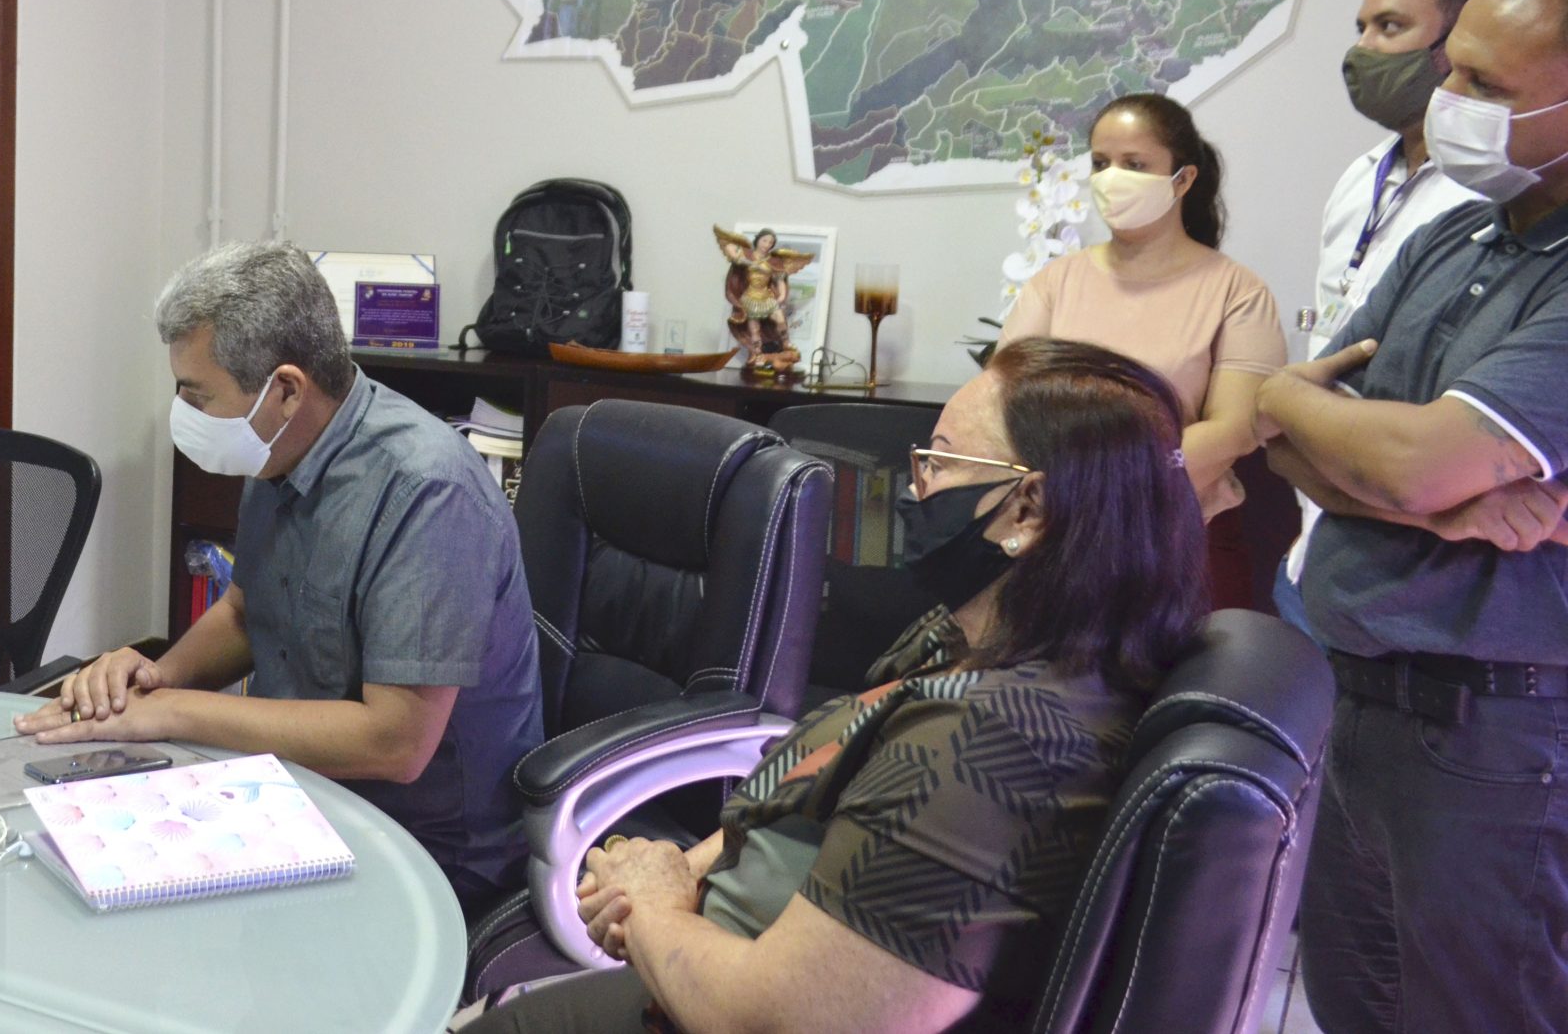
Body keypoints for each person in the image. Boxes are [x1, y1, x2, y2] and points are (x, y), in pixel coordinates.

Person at [460, 338, 1205, 1034]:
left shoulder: (984, 749)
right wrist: (669, 872)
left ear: (1028, 509)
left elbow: (775, 1020)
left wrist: (654, 905)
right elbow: (812, 790)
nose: (916, 488)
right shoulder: (980, 650)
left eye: (940, 462)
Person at [12, 242, 543, 917]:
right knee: (71, 877)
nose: (183, 412)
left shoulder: (428, 489)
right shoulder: (279, 449)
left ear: (286, 389)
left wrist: (174, 712)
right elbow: (244, 610)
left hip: (426, 850)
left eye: (196, 393)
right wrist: (153, 679)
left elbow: (397, 741)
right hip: (289, 798)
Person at [1261, 0, 1568, 1034]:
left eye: (1485, 87)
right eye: (1454, 73)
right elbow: (1280, 434)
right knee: (1360, 1000)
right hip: (1360, 697)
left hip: (1500, 731)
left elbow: (1404, 456)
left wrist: (1337, 429)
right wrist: (1429, 498)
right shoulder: (1456, 232)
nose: (1449, 103)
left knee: (1477, 1012)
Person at [997, 92, 1286, 607]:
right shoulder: (1055, 282)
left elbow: (1235, 428)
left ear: (1183, 179)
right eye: (1101, 163)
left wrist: (1117, 484)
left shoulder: (1236, 290)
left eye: (1135, 164)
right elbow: (999, 401)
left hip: (1181, 543)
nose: (1112, 178)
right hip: (1057, 542)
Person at [1272, 0, 1488, 633]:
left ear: (1457, 46)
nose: (1362, 49)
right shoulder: (1360, 176)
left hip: (1424, 577)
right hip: (1316, 550)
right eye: (1362, 26)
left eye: (1389, 27)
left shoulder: (1493, 193)